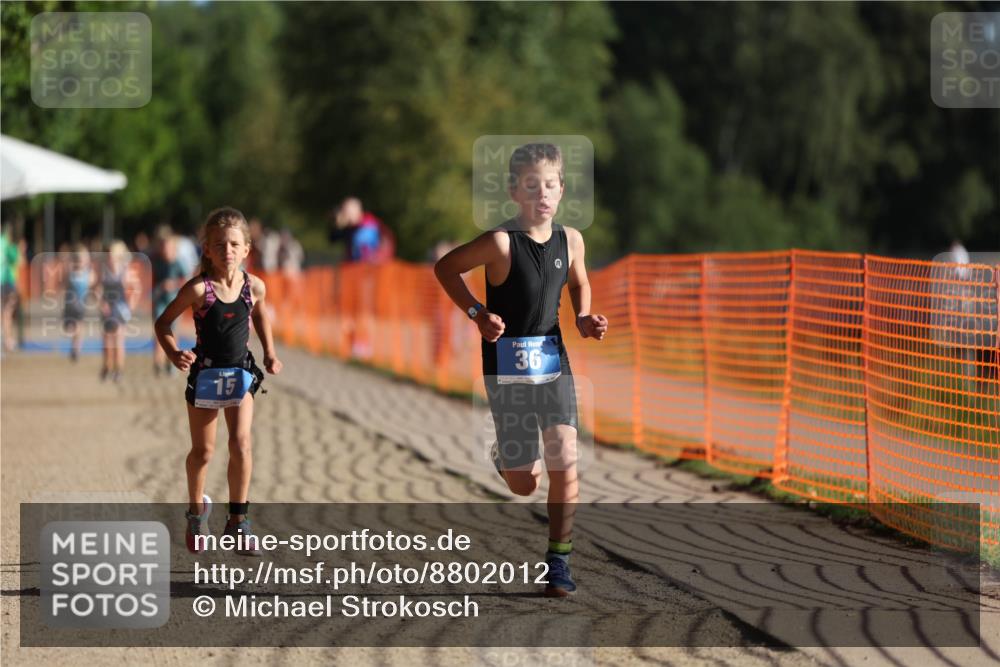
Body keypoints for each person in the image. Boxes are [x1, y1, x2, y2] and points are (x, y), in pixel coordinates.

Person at [434, 143, 608, 597]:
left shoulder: (571, 240)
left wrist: (585, 317)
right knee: (523, 483)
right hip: (506, 374)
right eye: (532, 185)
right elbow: (446, 269)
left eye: (550, 185)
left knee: (565, 461)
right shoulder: (498, 243)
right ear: (515, 191)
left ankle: (559, 560)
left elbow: (579, 280)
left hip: (554, 365)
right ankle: (504, 458)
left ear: (562, 190)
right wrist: (476, 313)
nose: (542, 194)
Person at [154, 207, 282, 555]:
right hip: (206, 375)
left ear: (246, 250)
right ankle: (197, 513)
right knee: (203, 451)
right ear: (207, 250)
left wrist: (270, 352)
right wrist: (173, 353)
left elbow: (259, 314)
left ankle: (238, 522)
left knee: (241, 444)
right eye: (219, 244)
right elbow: (162, 323)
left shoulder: (254, 286)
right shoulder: (199, 289)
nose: (227, 250)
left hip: (240, 372)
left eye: (234, 244)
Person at [96, 240, 138, 382]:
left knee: (119, 340)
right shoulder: (103, 270)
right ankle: (106, 367)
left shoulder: (125, 270)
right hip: (107, 308)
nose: (110, 256)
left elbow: (136, 288)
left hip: (120, 308)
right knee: (107, 340)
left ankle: (118, 370)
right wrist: (101, 303)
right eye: (108, 254)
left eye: (112, 254)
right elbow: (97, 289)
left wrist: (131, 306)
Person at [151, 226, 189, 375]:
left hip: (175, 302)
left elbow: (186, 280)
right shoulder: (156, 261)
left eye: (166, 246)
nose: (164, 249)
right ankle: (157, 362)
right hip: (160, 301)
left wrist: (173, 284)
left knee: (173, 332)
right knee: (158, 330)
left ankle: (172, 362)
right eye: (161, 246)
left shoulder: (178, 262)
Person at [62, 244, 94, 362]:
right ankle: (74, 345)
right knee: (69, 327)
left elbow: (93, 285)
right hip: (69, 305)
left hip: (81, 305)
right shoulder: (71, 273)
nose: (80, 262)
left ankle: (76, 349)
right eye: (78, 259)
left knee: (78, 326)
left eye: (83, 259)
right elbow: (64, 284)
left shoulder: (88, 273)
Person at [1, 223, 21, 352]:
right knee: (7, 313)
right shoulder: (6, 243)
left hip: (6, 282)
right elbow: (16, 259)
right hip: (7, 282)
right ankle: (7, 341)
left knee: (5, 313)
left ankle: (7, 340)